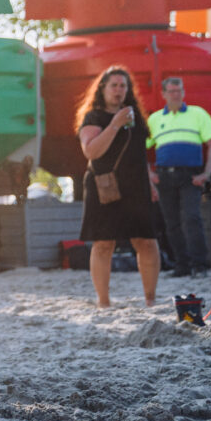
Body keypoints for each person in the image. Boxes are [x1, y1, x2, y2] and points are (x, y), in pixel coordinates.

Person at [76, 66, 161, 308]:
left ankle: (150, 299)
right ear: (102, 88)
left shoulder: (135, 117)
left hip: (137, 185)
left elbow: (139, 153)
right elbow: (91, 151)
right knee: (104, 243)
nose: (118, 90)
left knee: (147, 241)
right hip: (105, 185)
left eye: (123, 86)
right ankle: (103, 301)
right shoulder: (93, 117)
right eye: (114, 85)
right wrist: (115, 124)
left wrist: (150, 181)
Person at [146, 77, 211, 277]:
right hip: (164, 177)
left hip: (190, 176)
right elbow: (140, 148)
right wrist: (150, 174)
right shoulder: (155, 119)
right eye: (171, 91)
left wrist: (206, 173)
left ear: (184, 92)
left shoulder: (198, 114)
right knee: (171, 222)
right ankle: (182, 266)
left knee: (192, 218)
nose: (176, 95)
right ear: (163, 94)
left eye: (179, 91)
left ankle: (200, 265)